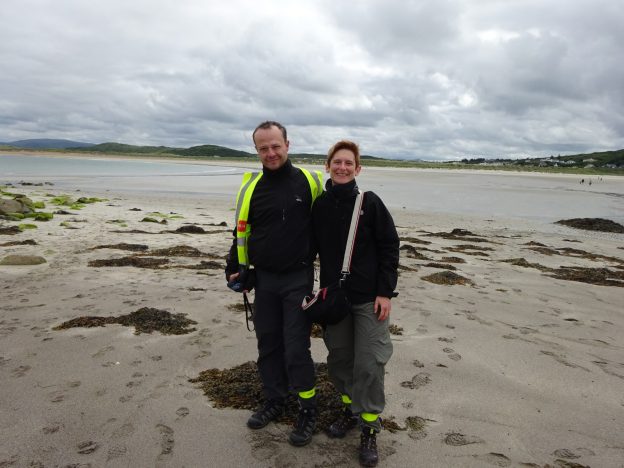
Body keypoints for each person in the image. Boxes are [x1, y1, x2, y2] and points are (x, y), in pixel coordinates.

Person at [225, 121, 324, 446]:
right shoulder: (251, 187)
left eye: (275, 146)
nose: (270, 153)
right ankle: (275, 398)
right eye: (263, 148)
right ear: (256, 150)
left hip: (298, 278)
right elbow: (242, 231)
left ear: (287, 144)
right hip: (264, 280)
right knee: (268, 345)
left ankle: (308, 408)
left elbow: (329, 231)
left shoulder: (309, 182)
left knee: (296, 348)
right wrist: (234, 268)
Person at [311, 140, 399, 467]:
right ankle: (350, 408)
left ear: (358, 168)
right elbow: (306, 248)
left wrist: (385, 292)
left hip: (369, 300)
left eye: (349, 163)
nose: (343, 167)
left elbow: (390, 247)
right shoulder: (320, 205)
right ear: (328, 165)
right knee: (340, 360)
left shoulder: (370, 203)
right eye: (337, 162)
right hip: (335, 300)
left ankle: (369, 427)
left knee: (371, 363)